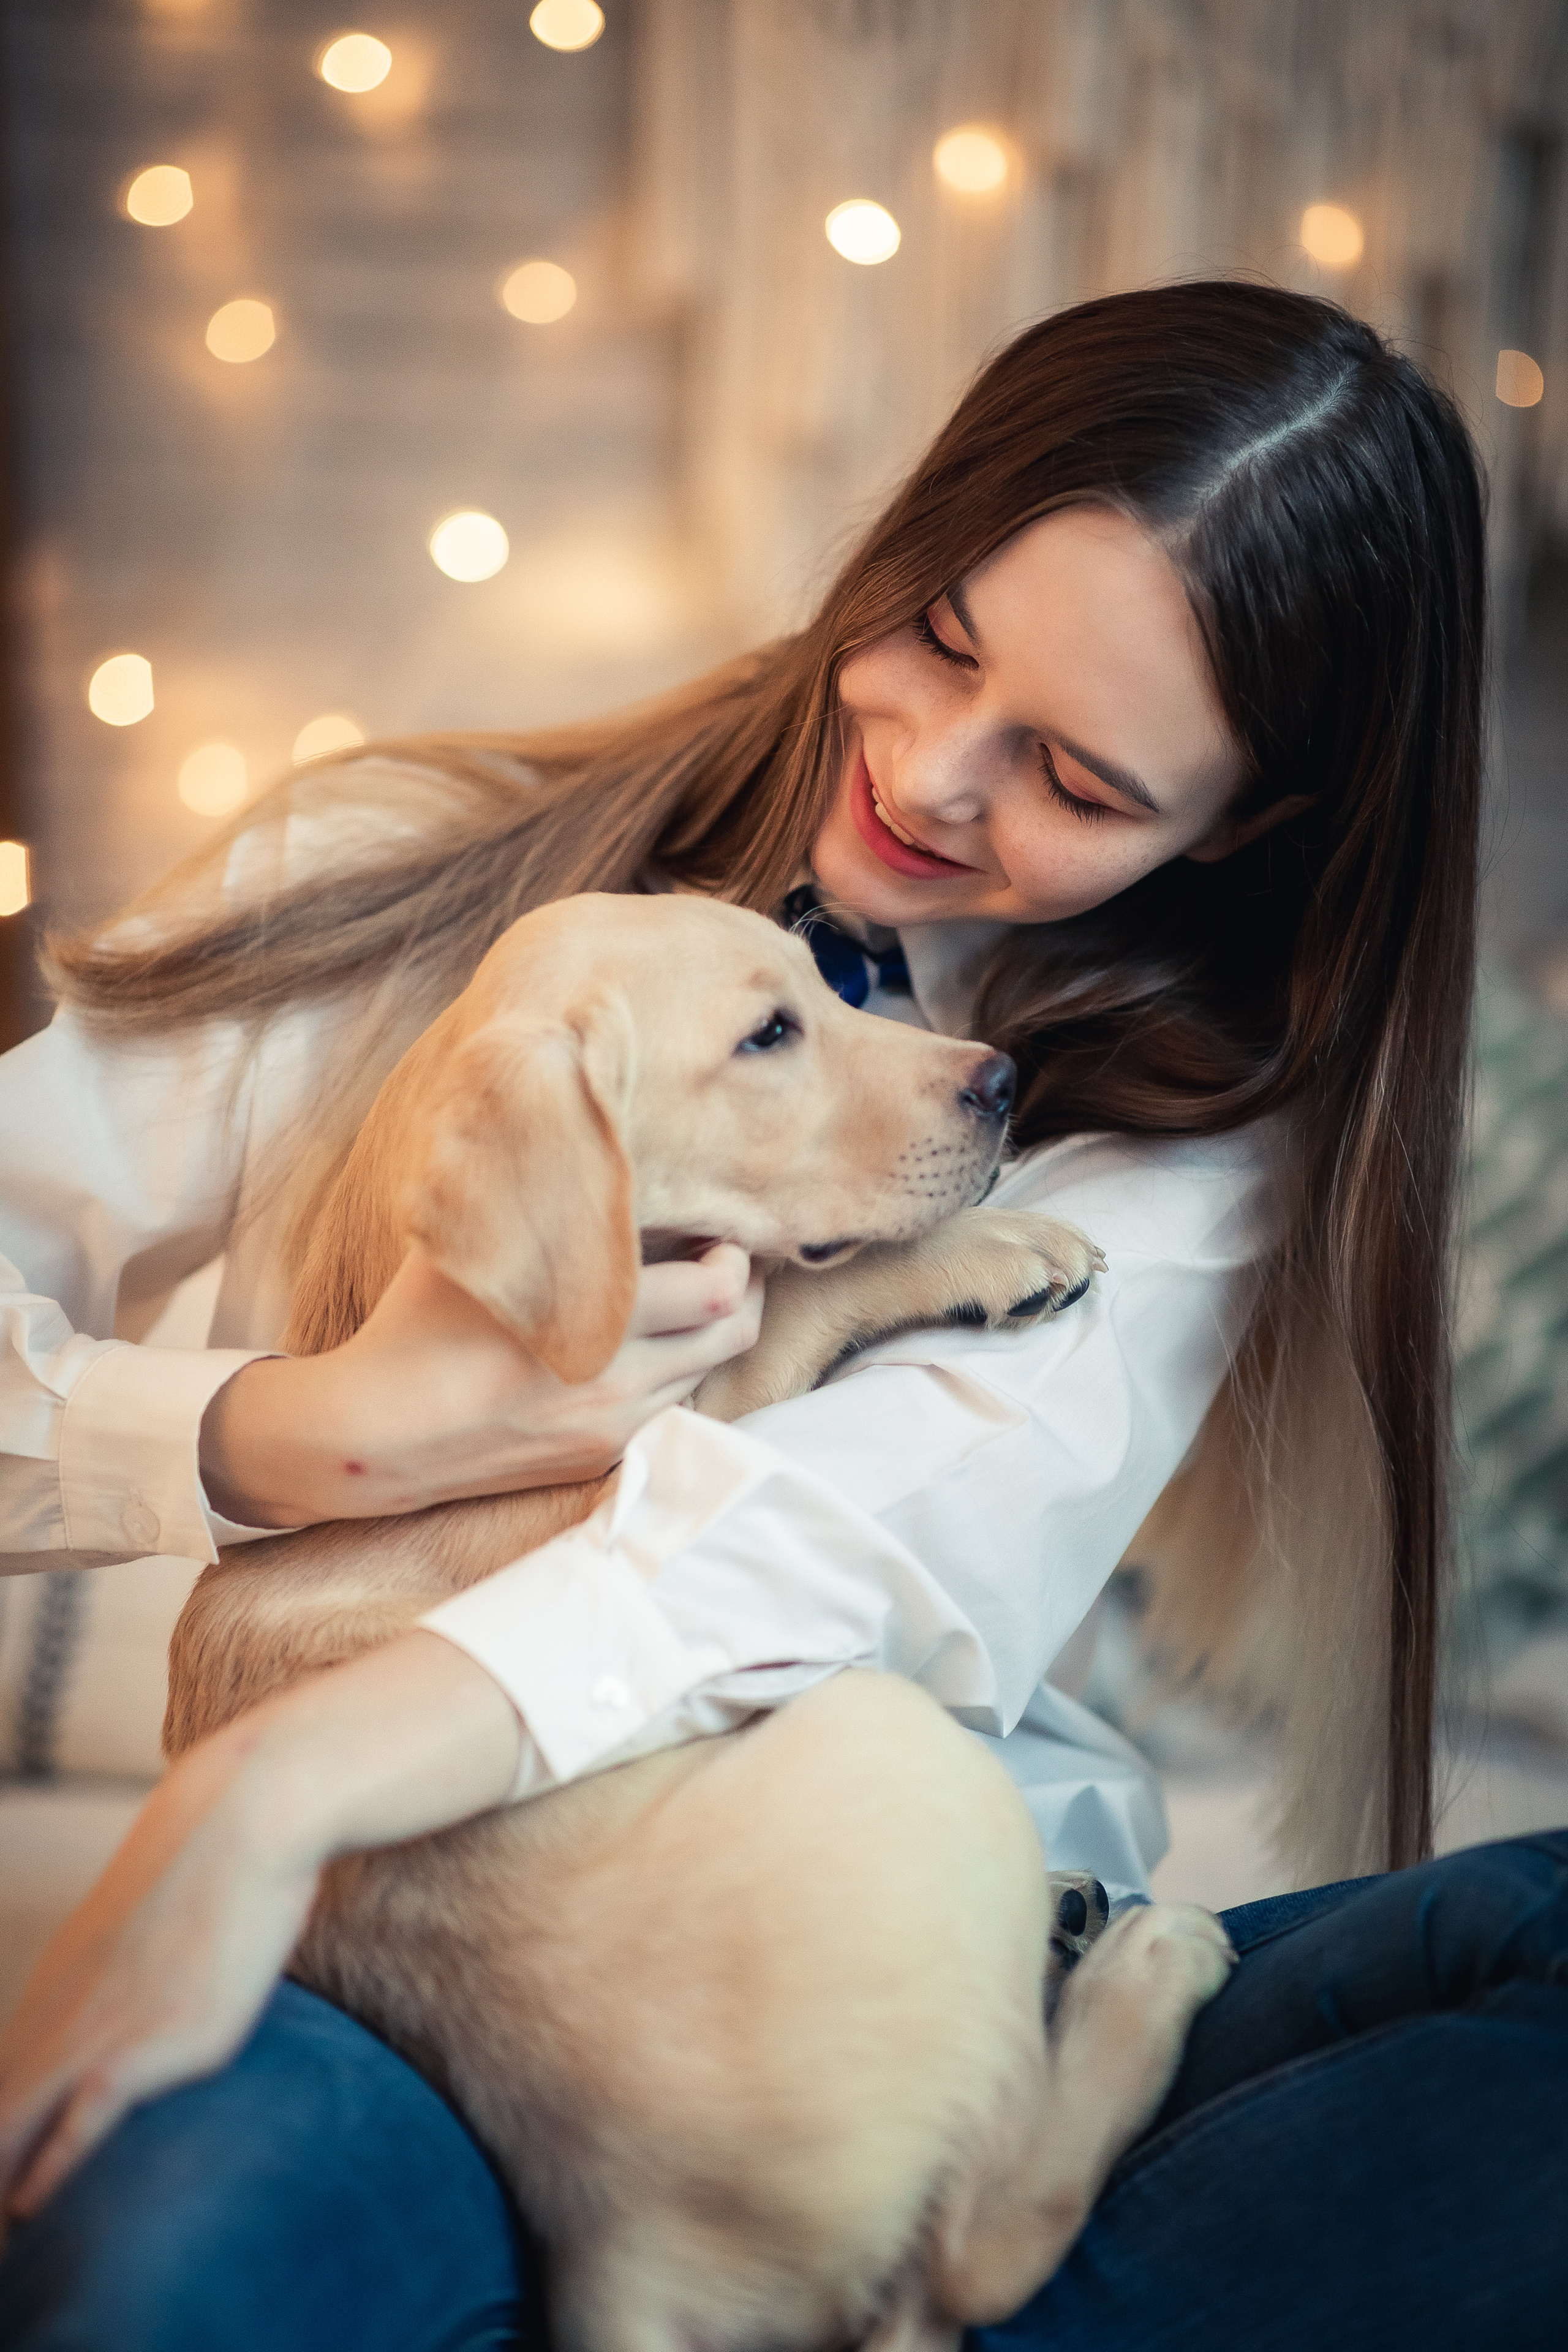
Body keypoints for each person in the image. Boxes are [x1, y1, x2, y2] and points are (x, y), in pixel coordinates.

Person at [0, 281, 1561, 2349]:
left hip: (946, 1955)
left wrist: (255, 1790)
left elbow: (833, 1548)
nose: (927, 771)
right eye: (935, 633)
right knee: (162, 2263)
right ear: (907, 529)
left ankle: (860, 2273)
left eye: (1079, 781)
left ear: (1244, 826)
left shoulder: (1193, 1138)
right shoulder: (386, 875)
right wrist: (293, 1435)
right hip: (441, 1944)